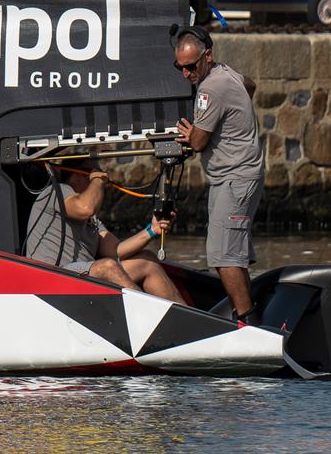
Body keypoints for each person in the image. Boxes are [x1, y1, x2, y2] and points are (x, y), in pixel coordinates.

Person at [173, 26, 264, 324]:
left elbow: (198, 142)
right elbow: (249, 85)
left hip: (235, 178)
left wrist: (192, 133)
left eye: (191, 66)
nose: (186, 74)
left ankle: (247, 324)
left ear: (207, 56)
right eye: (180, 67)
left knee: (223, 257)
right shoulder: (227, 74)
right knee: (231, 253)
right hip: (238, 176)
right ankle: (247, 315)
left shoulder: (210, 88)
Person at [25, 160, 185, 303]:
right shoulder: (56, 192)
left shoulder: (92, 220)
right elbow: (86, 207)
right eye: (94, 172)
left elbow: (116, 251)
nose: (103, 181)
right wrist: (97, 179)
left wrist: (152, 230)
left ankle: (188, 322)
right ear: (77, 176)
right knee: (107, 267)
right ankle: (152, 318)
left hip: (82, 276)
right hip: (52, 277)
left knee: (147, 260)